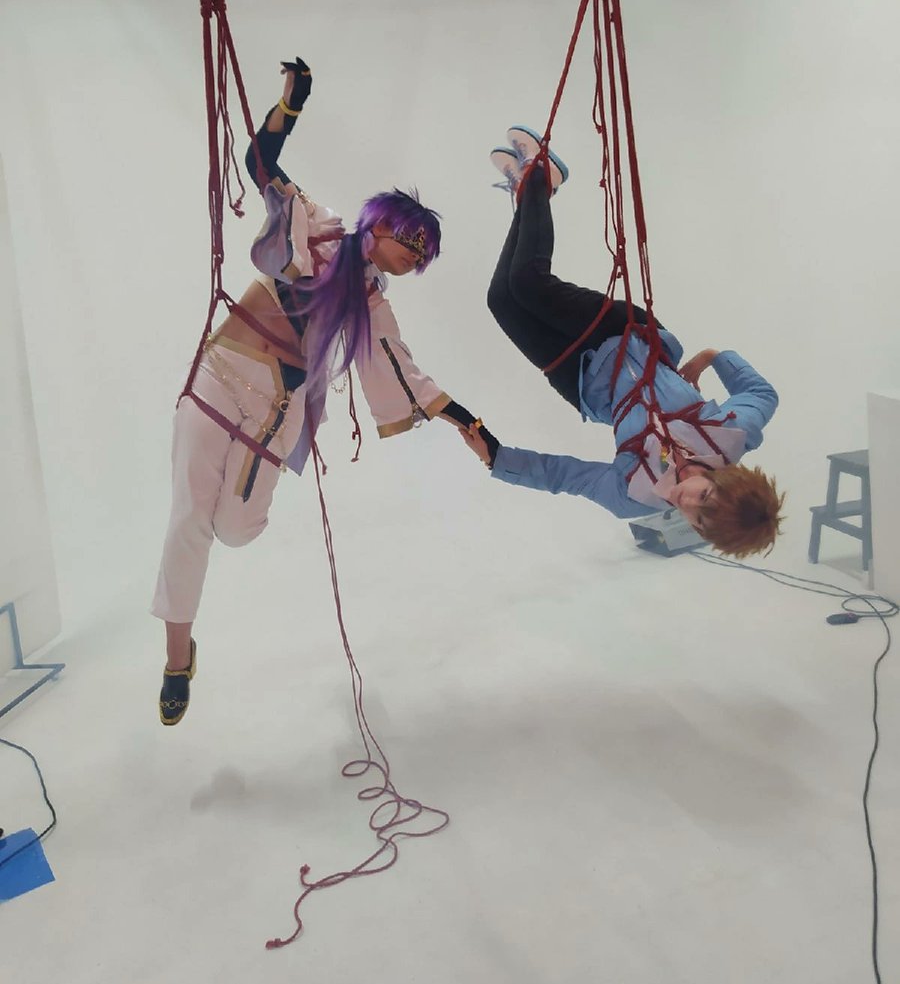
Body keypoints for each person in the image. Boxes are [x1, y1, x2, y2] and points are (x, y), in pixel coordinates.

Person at [152, 59, 495, 725]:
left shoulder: (372, 303)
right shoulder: (316, 225)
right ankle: (175, 657)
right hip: (221, 374)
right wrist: (292, 103)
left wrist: (468, 421)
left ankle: (191, 616)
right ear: (383, 223)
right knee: (187, 516)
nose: (416, 255)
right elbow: (260, 162)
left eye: (425, 254)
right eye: (414, 240)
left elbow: (407, 372)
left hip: (276, 407)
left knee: (235, 530)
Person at [460, 126, 783, 556]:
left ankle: (531, 189)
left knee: (501, 300)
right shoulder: (733, 433)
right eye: (705, 498)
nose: (688, 503)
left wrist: (497, 458)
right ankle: (538, 178)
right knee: (527, 284)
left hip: (580, 380)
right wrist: (712, 356)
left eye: (699, 520)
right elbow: (762, 393)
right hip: (628, 337)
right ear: (726, 479)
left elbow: (569, 477)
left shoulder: (634, 495)